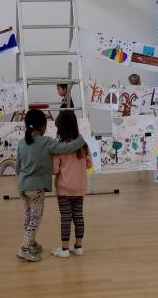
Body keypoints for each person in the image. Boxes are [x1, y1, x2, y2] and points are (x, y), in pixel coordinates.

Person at [15, 109, 86, 262]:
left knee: (28, 216)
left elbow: (18, 167)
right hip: (36, 188)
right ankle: (24, 248)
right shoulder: (46, 142)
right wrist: (80, 140)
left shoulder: (21, 142)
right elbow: (66, 148)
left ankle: (32, 243)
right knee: (36, 218)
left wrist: (21, 181)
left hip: (22, 186)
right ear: (42, 126)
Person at [50, 111, 92, 258]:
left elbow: (55, 170)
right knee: (79, 216)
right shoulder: (83, 145)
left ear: (60, 128)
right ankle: (78, 247)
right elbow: (89, 164)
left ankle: (65, 249)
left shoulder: (59, 148)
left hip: (64, 190)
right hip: (80, 188)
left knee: (65, 219)